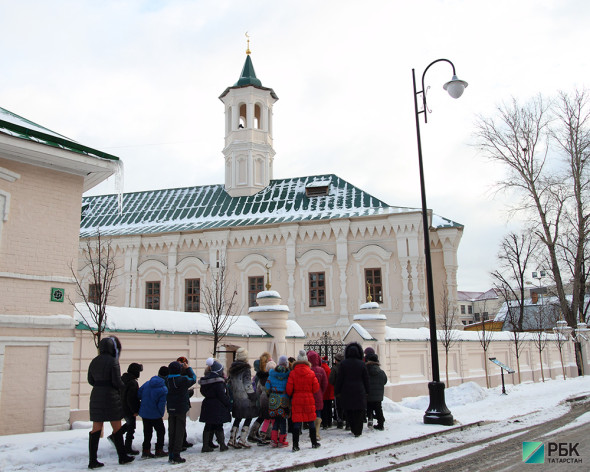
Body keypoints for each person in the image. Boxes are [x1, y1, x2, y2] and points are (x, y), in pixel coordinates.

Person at [87, 336, 134, 469]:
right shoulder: (113, 361)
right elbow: (116, 382)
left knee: (96, 428)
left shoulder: (94, 361)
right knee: (117, 427)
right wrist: (124, 386)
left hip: (96, 395)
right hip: (111, 396)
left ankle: (92, 460)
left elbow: (90, 380)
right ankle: (122, 456)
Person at [286, 350, 320, 451]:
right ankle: (314, 442)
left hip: (297, 399)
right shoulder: (311, 373)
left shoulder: (293, 373)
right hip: (309, 399)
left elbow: (289, 390)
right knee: (311, 421)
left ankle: (295, 445)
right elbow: (316, 388)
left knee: (296, 422)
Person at [334, 342, 370, 437]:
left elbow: (340, 379)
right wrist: (367, 390)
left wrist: (337, 391)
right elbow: (366, 379)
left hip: (347, 391)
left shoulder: (343, 364)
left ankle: (353, 428)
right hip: (359, 390)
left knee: (349, 410)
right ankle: (358, 430)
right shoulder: (362, 364)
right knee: (359, 411)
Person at [166, 360, 196, 464]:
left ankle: (171, 454)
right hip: (181, 408)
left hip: (171, 408)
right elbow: (193, 378)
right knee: (179, 431)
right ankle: (176, 455)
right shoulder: (182, 380)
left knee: (172, 431)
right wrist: (188, 369)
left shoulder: (167, 381)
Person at [198, 357, 231, 453]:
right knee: (218, 425)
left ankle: (205, 446)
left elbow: (202, 391)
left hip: (207, 404)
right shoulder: (218, 382)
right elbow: (222, 395)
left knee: (208, 425)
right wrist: (228, 403)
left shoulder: (205, 381)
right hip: (217, 406)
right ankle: (222, 445)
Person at [227, 347, 258, 448]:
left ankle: (232, 439)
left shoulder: (232, 369)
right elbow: (247, 384)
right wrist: (253, 395)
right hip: (245, 398)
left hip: (236, 397)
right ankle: (242, 439)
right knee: (248, 417)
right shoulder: (246, 369)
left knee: (238, 417)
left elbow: (230, 383)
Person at [138, 365, 168, 459]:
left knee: (147, 432)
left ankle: (146, 451)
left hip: (144, 413)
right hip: (155, 415)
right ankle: (159, 450)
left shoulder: (147, 383)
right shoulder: (163, 389)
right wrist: (160, 414)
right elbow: (161, 405)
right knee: (161, 431)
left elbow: (139, 394)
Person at [265, 355, 291, 447]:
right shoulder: (288, 374)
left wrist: (270, 393)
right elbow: (289, 387)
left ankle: (273, 440)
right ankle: (282, 440)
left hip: (274, 398)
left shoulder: (272, 374)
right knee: (283, 420)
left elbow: (267, 387)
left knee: (275, 420)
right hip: (284, 398)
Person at [121, 362, 143, 455]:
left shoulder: (123, 379)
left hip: (121, 406)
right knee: (131, 427)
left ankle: (115, 436)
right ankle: (127, 447)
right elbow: (131, 398)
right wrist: (135, 410)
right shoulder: (132, 383)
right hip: (129, 409)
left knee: (128, 424)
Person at [306, 350, 328, 439]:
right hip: (318, 394)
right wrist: (320, 392)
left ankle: (311, 431)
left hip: (309, 394)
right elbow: (325, 384)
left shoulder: (308, 370)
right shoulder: (321, 370)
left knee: (310, 413)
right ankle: (316, 432)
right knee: (318, 412)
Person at [366, 353, 387, 430]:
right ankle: (381, 424)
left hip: (368, 394)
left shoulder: (366, 370)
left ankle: (370, 419)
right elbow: (385, 381)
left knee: (369, 407)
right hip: (378, 394)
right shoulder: (381, 372)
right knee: (378, 409)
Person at [328, 352, 345, 429]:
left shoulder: (335, 368)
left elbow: (331, 380)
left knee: (338, 407)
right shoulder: (347, 367)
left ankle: (340, 421)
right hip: (346, 390)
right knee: (346, 406)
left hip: (337, 390)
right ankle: (347, 422)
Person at [320, 356, 334, 429]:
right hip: (329, 391)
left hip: (323, 391)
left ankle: (324, 423)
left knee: (323, 408)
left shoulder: (321, 369)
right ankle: (329, 422)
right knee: (329, 407)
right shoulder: (328, 369)